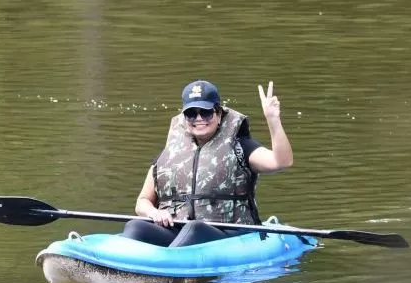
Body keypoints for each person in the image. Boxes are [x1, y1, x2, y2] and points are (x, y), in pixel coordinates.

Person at [122, 79, 294, 247]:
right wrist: (154, 213)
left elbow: (281, 161)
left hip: (230, 232)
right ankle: (120, 270)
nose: (199, 118)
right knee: (135, 226)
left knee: (194, 229)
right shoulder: (171, 152)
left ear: (219, 115)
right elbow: (142, 201)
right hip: (178, 229)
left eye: (206, 112)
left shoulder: (241, 146)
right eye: (191, 114)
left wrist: (273, 120)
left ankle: (166, 269)